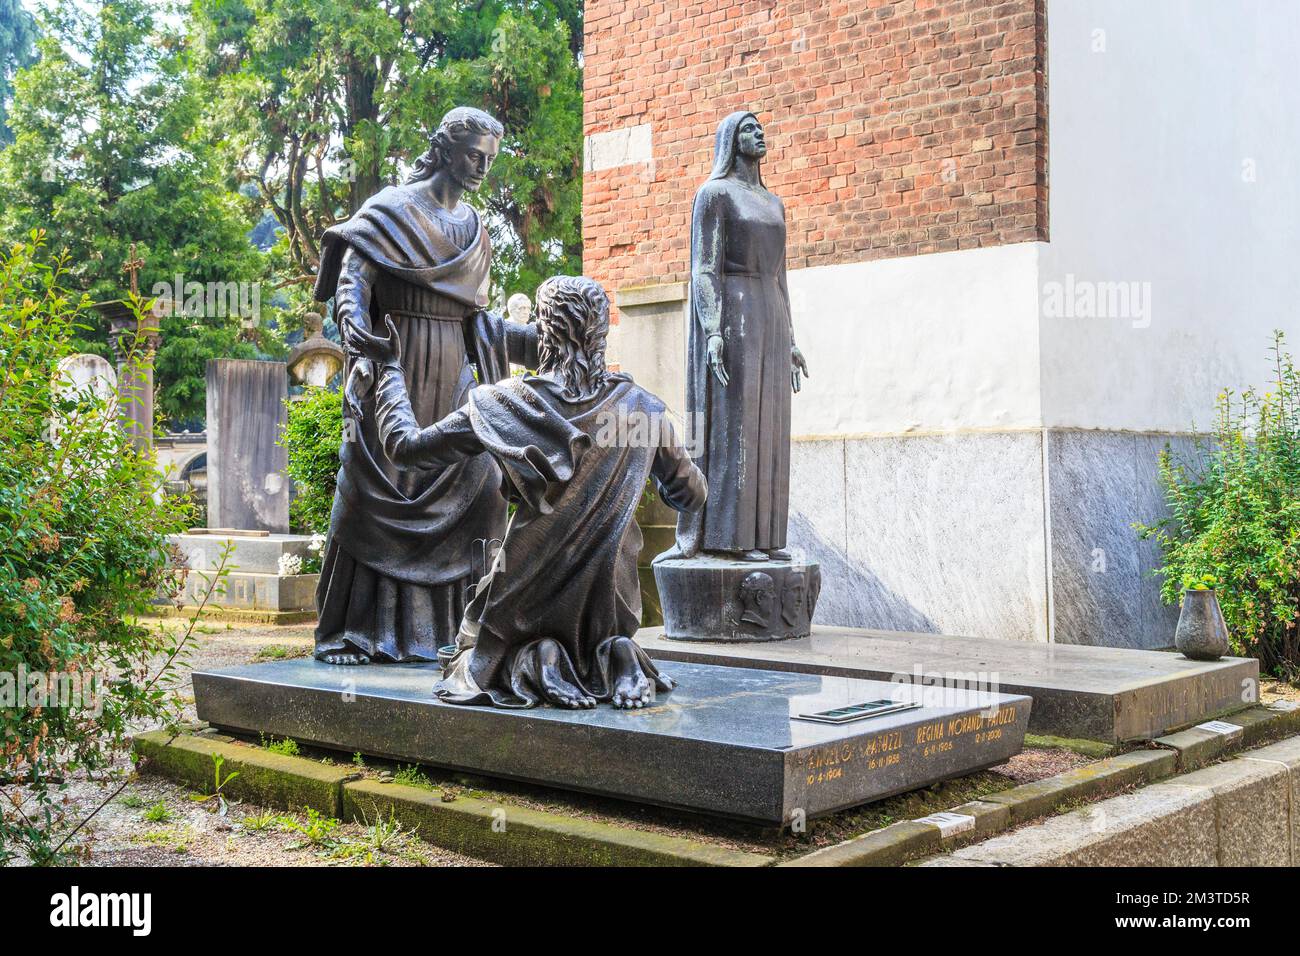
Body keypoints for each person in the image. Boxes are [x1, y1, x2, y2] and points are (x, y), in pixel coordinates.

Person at [350, 276, 707, 709]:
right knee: (605, 631)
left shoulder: (504, 404)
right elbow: (692, 495)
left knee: (478, 649)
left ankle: (539, 656)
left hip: (522, 595)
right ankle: (615, 652)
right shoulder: (643, 409)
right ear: (600, 334)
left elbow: (404, 449)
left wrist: (389, 368)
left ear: (544, 331)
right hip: (608, 604)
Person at [311, 106, 537, 665]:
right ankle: (356, 631)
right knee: (372, 496)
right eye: (473, 155)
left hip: (456, 377)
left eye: (489, 158)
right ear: (444, 149)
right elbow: (351, 287)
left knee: (477, 494)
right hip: (395, 369)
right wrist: (360, 338)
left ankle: (457, 628)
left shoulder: (476, 230)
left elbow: (477, 320)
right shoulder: (389, 209)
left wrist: (539, 341)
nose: (482, 166)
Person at [676, 110, 810, 562]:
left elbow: (782, 277)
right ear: (731, 141)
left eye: (760, 127)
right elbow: (703, 268)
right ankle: (732, 538)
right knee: (737, 427)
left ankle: (768, 536)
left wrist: (790, 340)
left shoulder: (774, 204)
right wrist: (713, 330)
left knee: (769, 426)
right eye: (749, 128)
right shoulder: (713, 195)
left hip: (770, 314)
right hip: (733, 311)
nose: (760, 133)